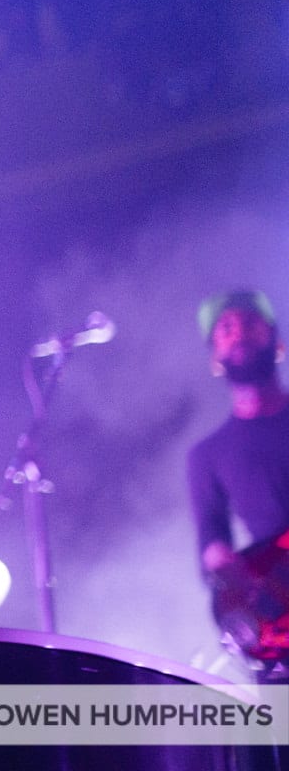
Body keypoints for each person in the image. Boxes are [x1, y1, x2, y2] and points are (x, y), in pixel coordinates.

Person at [185, 289, 289, 676]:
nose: (238, 332)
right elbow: (212, 540)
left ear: (277, 342)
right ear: (215, 358)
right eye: (225, 328)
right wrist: (231, 575)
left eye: (249, 322)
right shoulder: (207, 455)